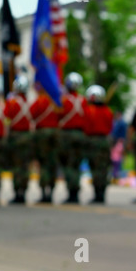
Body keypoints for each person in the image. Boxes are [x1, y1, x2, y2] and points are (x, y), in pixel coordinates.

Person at [57, 72, 87, 204]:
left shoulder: (62, 100)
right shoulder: (83, 100)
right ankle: (75, 191)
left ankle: (72, 192)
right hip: (80, 135)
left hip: (67, 135)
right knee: (76, 164)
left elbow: (58, 116)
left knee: (68, 164)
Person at [4, 75, 34, 204]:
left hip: (15, 137)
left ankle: (17, 192)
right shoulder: (30, 102)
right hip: (27, 137)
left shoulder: (11, 102)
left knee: (16, 166)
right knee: (25, 166)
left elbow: (6, 119)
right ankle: (24, 192)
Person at [30, 83, 60, 203]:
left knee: (42, 163)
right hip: (55, 133)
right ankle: (51, 192)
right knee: (52, 163)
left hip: (42, 134)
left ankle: (43, 192)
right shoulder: (57, 101)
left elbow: (32, 114)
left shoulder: (40, 101)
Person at [84, 85, 113, 204]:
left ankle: (97, 193)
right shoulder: (108, 111)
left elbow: (86, 126)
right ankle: (102, 193)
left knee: (95, 168)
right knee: (103, 168)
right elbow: (110, 127)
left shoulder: (89, 110)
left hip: (93, 141)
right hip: (104, 141)